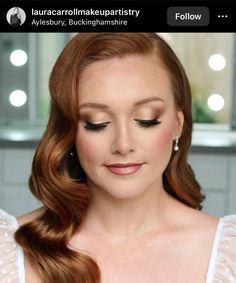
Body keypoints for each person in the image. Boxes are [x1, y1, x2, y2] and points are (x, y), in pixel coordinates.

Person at [0, 33, 235, 283]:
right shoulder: (9, 252)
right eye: (96, 123)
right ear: (69, 132)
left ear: (178, 124)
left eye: (147, 120)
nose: (123, 145)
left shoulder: (228, 254)